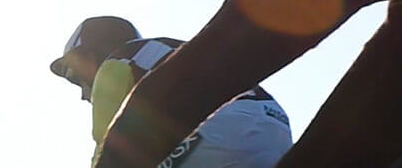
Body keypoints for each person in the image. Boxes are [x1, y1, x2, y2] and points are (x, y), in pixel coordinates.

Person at [51, 15, 293, 168]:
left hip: (219, 132)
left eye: (75, 78)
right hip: (275, 128)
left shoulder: (115, 63)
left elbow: (109, 149)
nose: (83, 94)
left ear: (88, 56)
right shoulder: (161, 51)